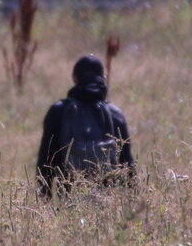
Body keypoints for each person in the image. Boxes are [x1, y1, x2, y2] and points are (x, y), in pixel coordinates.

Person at [36, 54, 135, 198]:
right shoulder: (115, 114)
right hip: (107, 198)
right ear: (104, 77)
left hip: (68, 197)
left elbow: (45, 160)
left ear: (74, 78)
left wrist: (45, 196)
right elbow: (127, 165)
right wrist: (132, 201)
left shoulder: (58, 111)